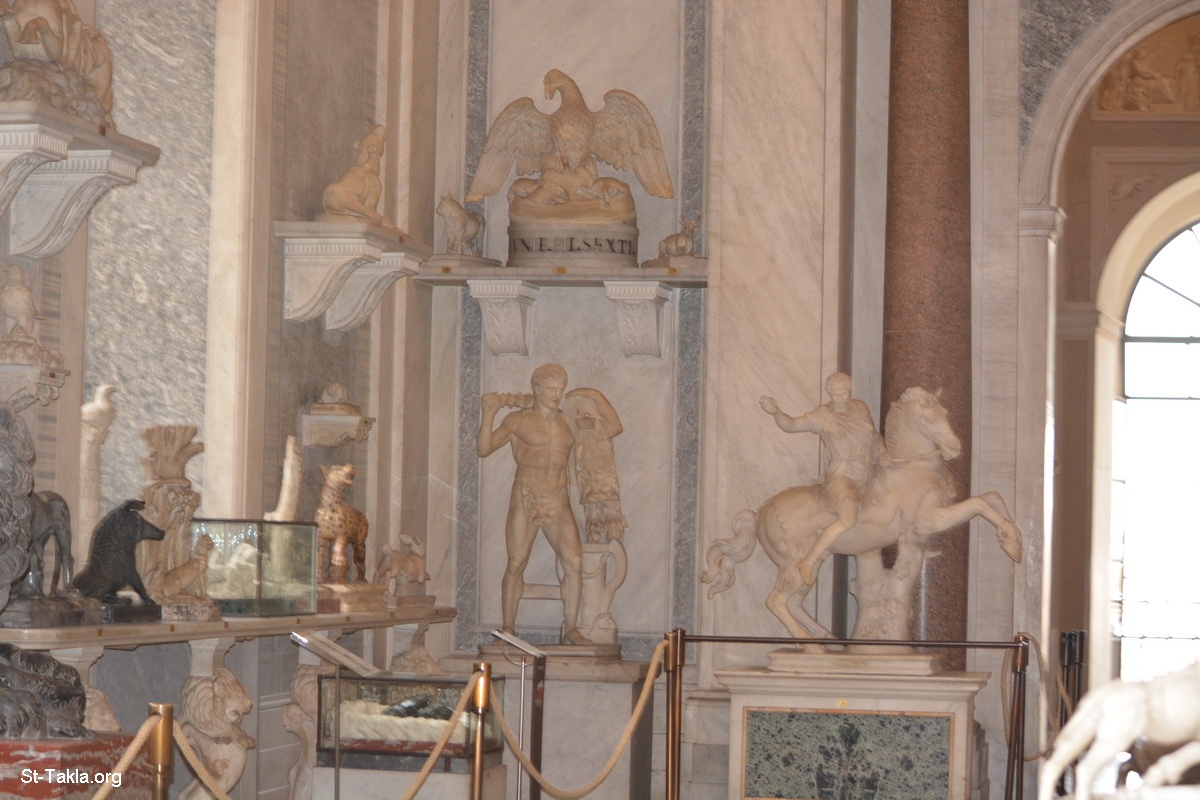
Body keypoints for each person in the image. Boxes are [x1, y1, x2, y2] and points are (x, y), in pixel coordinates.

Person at [477, 363, 620, 645]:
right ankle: (508, 628)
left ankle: (571, 629)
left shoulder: (569, 422)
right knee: (516, 563)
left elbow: (613, 428)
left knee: (574, 561)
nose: (557, 394)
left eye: (560, 389)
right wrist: (488, 415)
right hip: (526, 497)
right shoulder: (518, 421)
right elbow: (483, 449)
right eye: (552, 389)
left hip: (558, 499)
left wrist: (594, 396)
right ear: (537, 389)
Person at [759, 372, 888, 583]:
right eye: (835, 395)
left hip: (869, 473)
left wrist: (882, 454)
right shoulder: (822, 416)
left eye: (843, 394)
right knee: (848, 518)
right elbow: (792, 425)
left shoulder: (861, 408)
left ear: (849, 391)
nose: (839, 399)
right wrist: (777, 413)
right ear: (829, 394)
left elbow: (873, 437)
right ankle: (809, 560)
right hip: (843, 477)